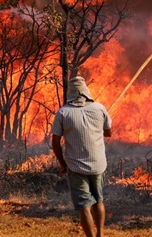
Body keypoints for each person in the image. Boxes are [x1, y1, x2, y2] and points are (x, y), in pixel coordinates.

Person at [52, 76, 112, 237]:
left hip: (76, 166)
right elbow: (108, 133)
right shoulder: (100, 108)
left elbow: (55, 142)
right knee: (98, 200)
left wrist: (62, 163)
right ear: (86, 91)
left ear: (70, 93)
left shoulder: (63, 113)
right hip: (98, 164)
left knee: (84, 206)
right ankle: (100, 234)